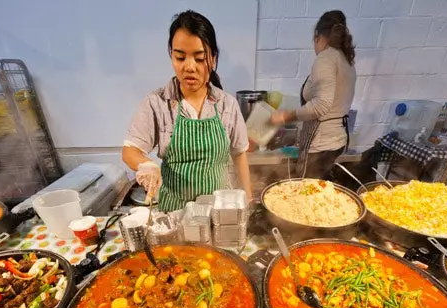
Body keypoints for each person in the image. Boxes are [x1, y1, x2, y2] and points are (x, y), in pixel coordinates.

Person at [122, 10, 252, 212]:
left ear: (214, 59)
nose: (189, 67)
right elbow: (130, 150)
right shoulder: (157, 103)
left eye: (200, 59)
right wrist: (146, 164)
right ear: (171, 56)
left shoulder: (227, 104)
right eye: (180, 57)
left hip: (219, 214)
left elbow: (239, 154)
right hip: (175, 213)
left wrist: (248, 202)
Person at [271, 10, 356, 179]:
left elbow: (321, 105)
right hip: (337, 140)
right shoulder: (347, 60)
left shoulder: (325, 58)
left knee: (307, 194)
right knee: (322, 195)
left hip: (321, 145)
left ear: (317, 35)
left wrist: (285, 116)